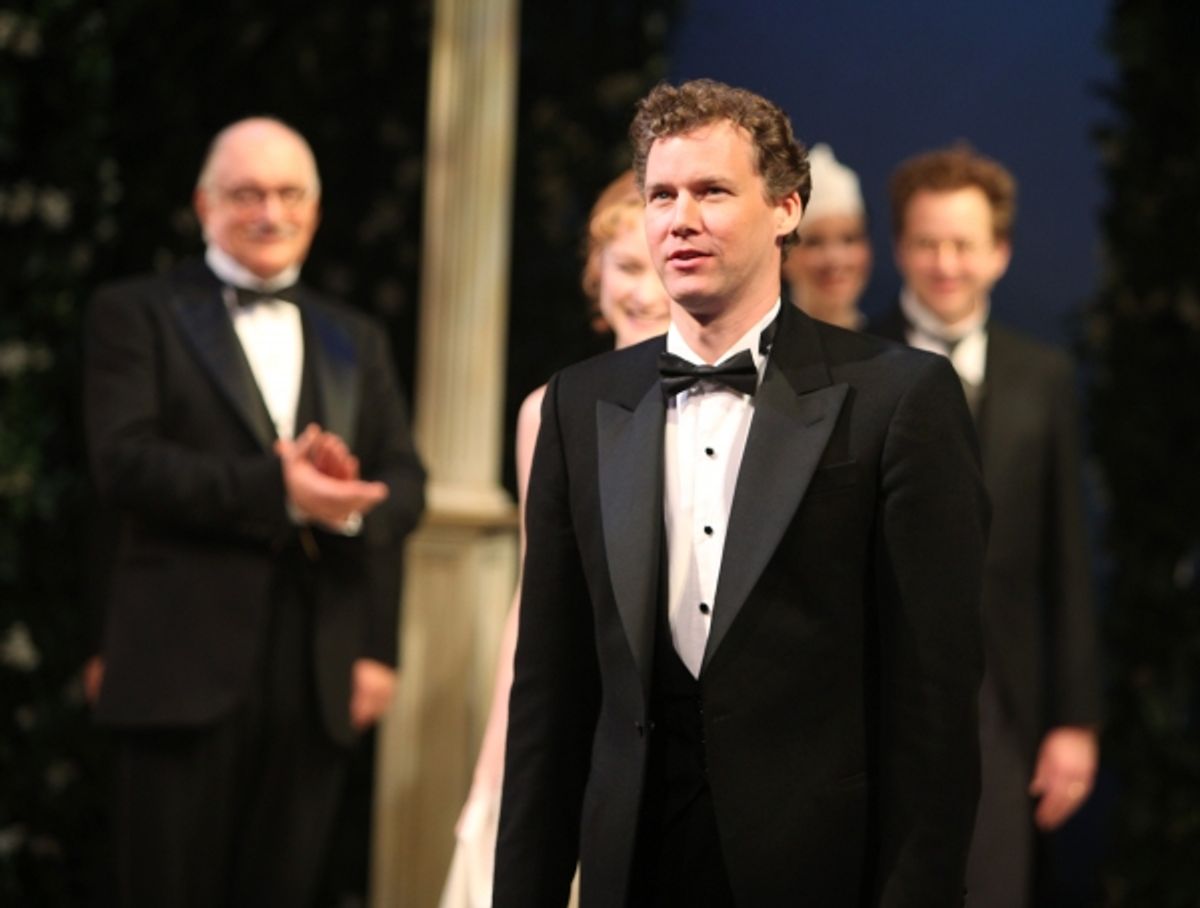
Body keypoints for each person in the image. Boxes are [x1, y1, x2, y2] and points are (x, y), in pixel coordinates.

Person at [493, 78, 988, 907]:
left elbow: (933, 715)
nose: (680, 218)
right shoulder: (580, 405)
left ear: (787, 207)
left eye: (712, 191)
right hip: (634, 864)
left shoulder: (899, 397)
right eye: (661, 195)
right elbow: (550, 694)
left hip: (818, 869)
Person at [83, 116, 426, 907]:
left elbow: (404, 482)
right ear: (204, 205)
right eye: (247, 194)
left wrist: (373, 629)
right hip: (177, 660)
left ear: (314, 206)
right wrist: (277, 492)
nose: (270, 213)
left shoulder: (356, 338)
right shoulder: (135, 312)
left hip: (316, 671)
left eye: (289, 194)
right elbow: (123, 464)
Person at [870, 144, 1101, 908]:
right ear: (899, 247)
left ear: (998, 253)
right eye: (927, 242)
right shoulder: (851, 366)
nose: (944, 263)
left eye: (964, 244)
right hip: (875, 700)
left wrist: (1074, 721)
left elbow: (1067, 558)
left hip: (1003, 703)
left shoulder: (1045, 378)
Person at [440, 170, 671, 908]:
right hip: (585, 696)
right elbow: (535, 602)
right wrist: (495, 764)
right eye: (627, 267)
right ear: (594, 275)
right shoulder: (550, 411)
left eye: (659, 269)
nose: (643, 291)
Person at [782, 143, 872, 329]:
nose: (835, 258)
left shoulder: (898, 351)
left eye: (849, 239)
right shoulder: (760, 353)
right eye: (814, 242)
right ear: (784, 256)